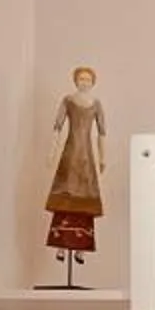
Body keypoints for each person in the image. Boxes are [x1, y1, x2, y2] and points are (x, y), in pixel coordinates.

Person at [42, 64, 107, 286]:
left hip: (86, 157)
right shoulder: (68, 101)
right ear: (75, 80)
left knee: (85, 202)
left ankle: (82, 250)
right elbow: (57, 127)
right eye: (81, 78)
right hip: (70, 153)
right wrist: (52, 152)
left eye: (88, 79)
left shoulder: (96, 104)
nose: (84, 82)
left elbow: (102, 132)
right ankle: (61, 245)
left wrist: (102, 157)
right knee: (65, 197)